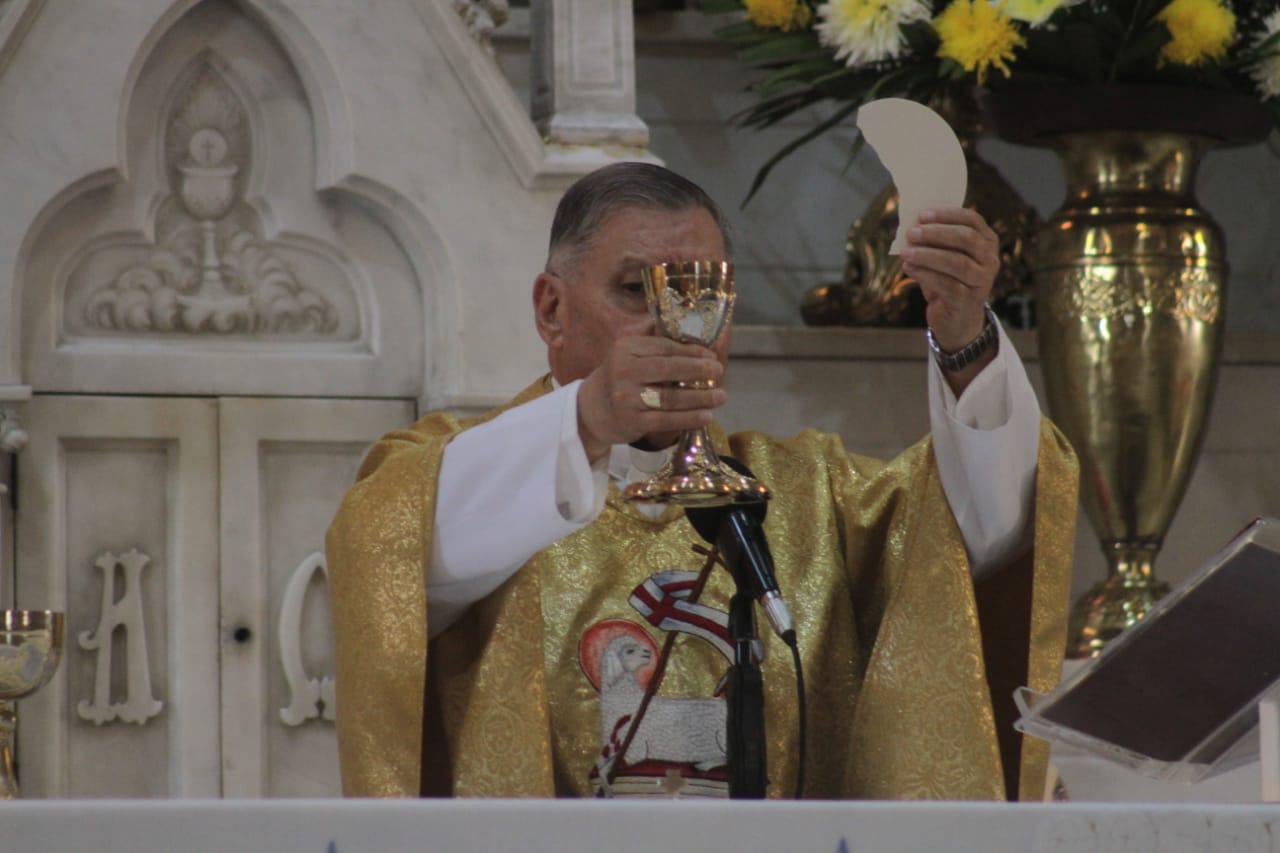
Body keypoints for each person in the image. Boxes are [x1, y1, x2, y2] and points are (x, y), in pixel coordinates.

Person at [327, 163, 1078, 801]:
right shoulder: (472, 473)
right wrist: (588, 419)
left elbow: (979, 531)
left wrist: (965, 338)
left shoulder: (811, 492)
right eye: (635, 290)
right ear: (551, 308)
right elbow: (388, 554)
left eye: (702, 292)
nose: (678, 325)